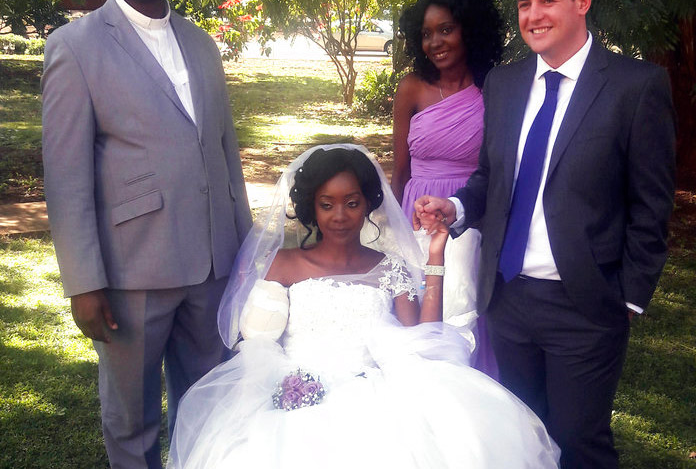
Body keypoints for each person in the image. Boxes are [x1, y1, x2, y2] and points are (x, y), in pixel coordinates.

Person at [414, 0, 676, 468]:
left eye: (547, 0)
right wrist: (457, 209)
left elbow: (652, 204)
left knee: (579, 442)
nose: (533, 15)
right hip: (508, 299)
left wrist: (627, 298)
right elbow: (493, 177)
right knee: (519, 436)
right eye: (524, 3)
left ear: (582, 1)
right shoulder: (506, 84)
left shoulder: (634, 86)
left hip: (586, 305)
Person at [167, 144, 560, 469]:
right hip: (296, 394)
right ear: (311, 208)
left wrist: (435, 258)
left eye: (351, 203)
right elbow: (257, 344)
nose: (340, 216)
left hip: (374, 394)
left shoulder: (388, 268)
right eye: (327, 204)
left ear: (368, 205)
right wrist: (281, 385)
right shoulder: (283, 265)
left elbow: (424, 339)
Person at [41, 0, 252, 468]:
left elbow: (225, 155)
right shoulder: (75, 47)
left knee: (209, 405)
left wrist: (247, 250)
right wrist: (83, 281)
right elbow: (65, 176)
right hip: (132, 271)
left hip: (212, 266)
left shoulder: (203, 44)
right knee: (132, 421)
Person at [392, 0, 503, 377]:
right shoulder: (412, 88)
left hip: (470, 215)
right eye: (425, 33)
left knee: (465, 307)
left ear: (468, 29)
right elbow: (400, 169)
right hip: (415, 213)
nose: (434, 42)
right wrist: (391, 227)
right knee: (416, 309)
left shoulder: (496, 88)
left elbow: (499, 167)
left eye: (445, 30)